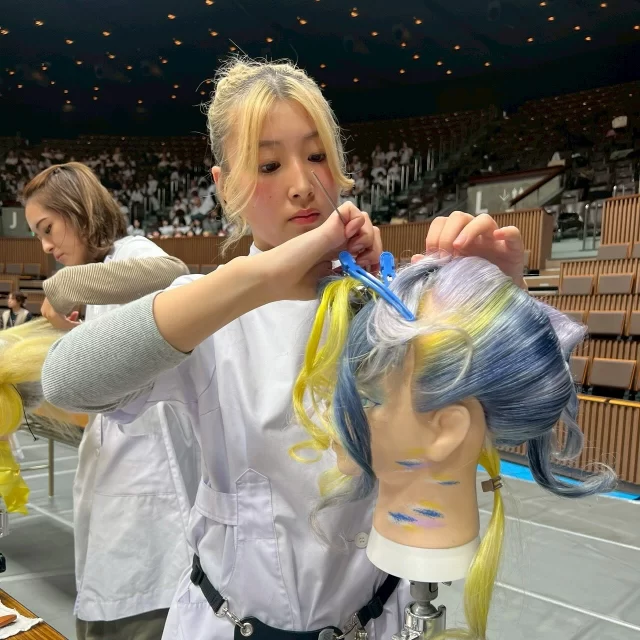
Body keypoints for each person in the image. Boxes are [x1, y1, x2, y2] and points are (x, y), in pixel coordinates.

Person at [41, 58, 525, 640]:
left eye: (317, 155)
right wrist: (263, 278)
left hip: (375, 622)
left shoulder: (394, 304)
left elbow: (508, 418)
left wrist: (493, 297)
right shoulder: (207, 310)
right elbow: (68, 380)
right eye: (268, 164)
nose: (302, 184)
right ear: (226, 185)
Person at [22, 161, 199, 640]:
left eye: (48, 229)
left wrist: (64, 286)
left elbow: (173, 272)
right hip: (116, 495)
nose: (45, 246)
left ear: (78, 211)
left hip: (150, 506)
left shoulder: (132, 253)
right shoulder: (102, 274)